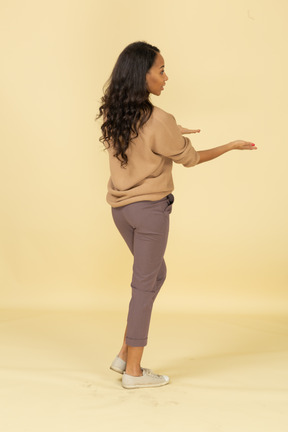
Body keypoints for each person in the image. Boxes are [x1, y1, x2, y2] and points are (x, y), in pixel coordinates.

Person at [97, 41, 257, 389]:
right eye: (161, 70)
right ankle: (134, 373)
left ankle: (124, 354)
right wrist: (230, 145)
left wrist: (172, 131)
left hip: (122, 211)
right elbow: (192, 159)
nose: (166, 77)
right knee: (143, 286)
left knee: (155, 276)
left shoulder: (116, 113)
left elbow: (148, 138)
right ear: (144, 76)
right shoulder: (159, 119)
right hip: (150, 212)